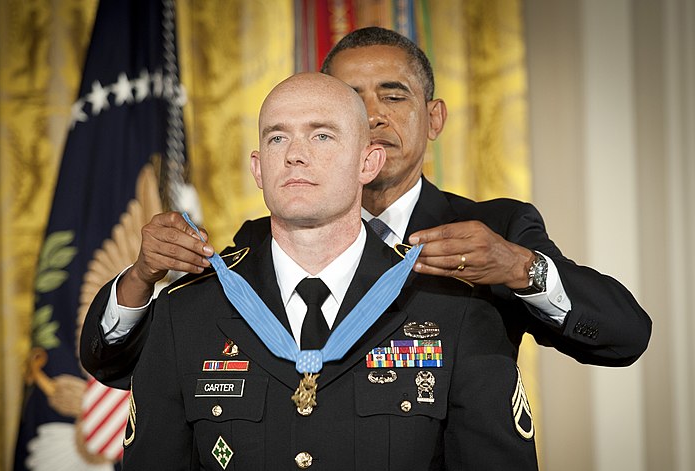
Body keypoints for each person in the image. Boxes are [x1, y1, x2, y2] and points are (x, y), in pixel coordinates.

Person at [80, 27, 650, 389]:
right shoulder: (259, 241)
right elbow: (122, 367)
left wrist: (523, 269)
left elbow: (625, 337)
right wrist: (140, 277)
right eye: (352, 101)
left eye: (393, 96)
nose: (373, 115)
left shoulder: (496, 230)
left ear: (434, 118)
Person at [115, 72, 540, 471]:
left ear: (368, 162)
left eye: (321, 135)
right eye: (278, 138)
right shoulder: (187, 314)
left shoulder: (455, 310)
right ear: (258, 168)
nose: (296, 154)